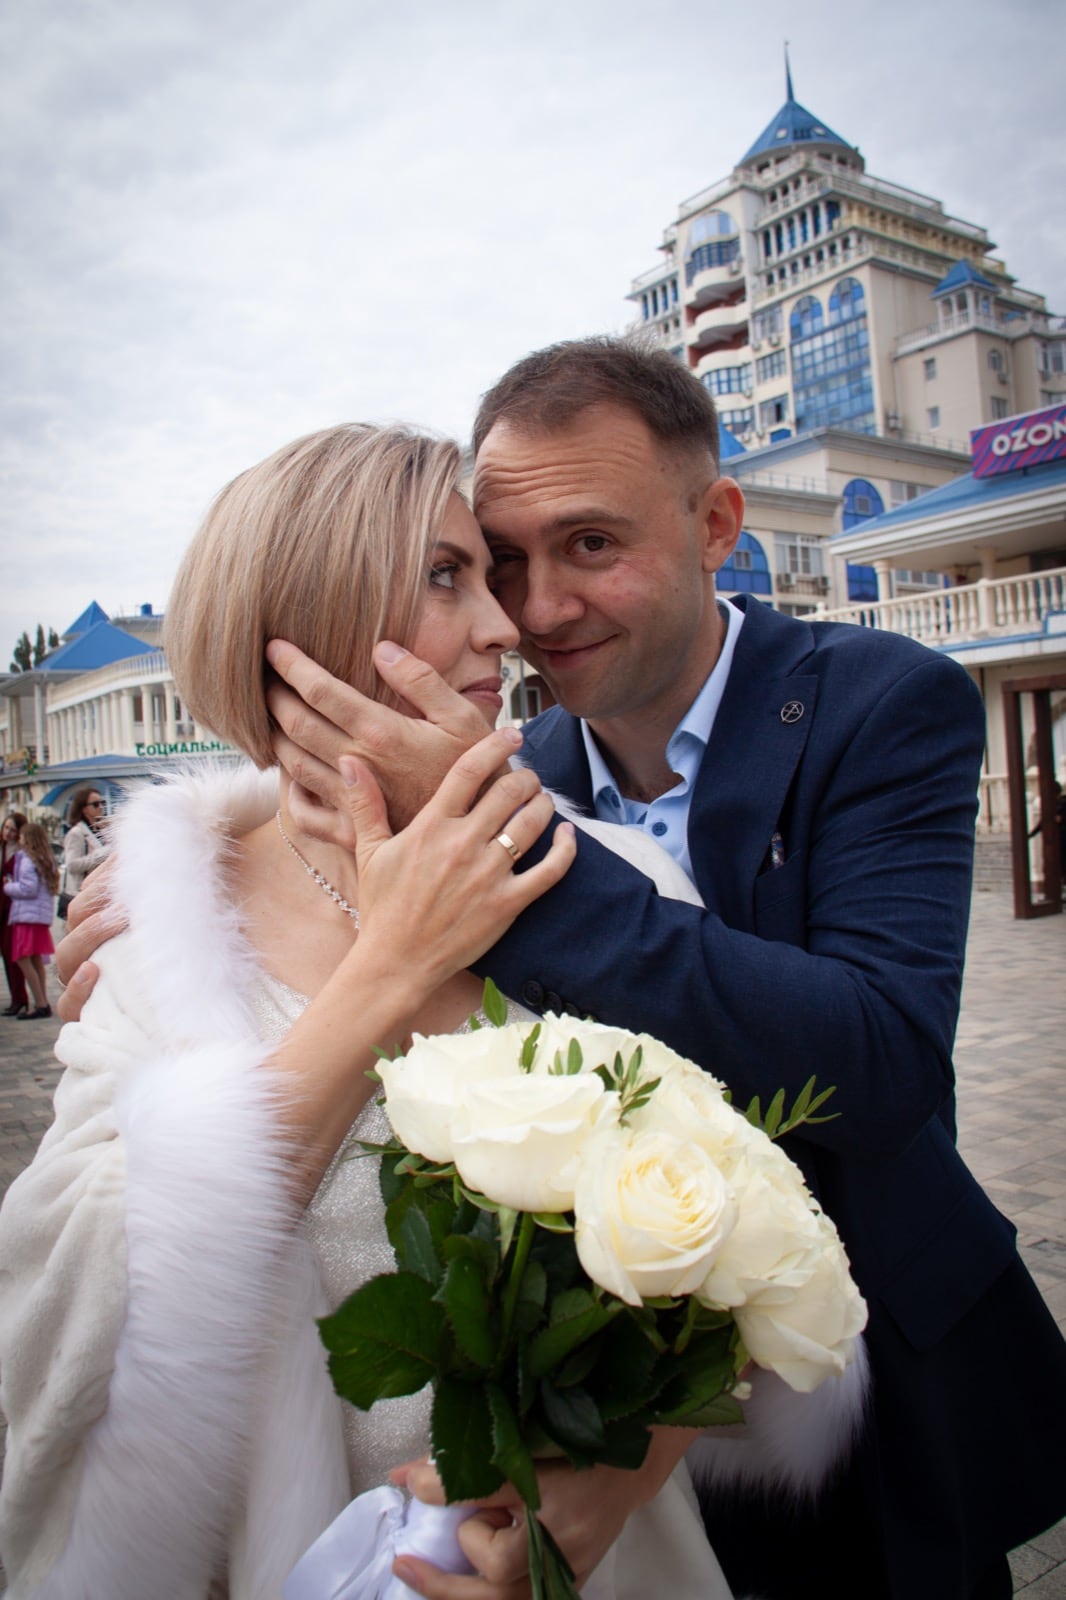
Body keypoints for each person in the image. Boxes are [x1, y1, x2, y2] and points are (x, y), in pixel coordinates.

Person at [234, 339, 1066, 1600]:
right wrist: (184, 859)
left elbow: (884, 1061)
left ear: (715, 524)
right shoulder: (519, 764)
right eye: (502, 559)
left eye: (590, 544)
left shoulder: (880, 698)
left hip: (874, 1365)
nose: (536, 610)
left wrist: (522, 856)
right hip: (622, 1400)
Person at [1, 423, 859, 1600]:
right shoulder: (161, 931)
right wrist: (398, 962)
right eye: (447, 575)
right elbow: (74, 1314)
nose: (507, 625)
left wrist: (618, 1477)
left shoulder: (614, 882)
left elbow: (741, 1233)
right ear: (306, 612)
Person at [2, 820, 58, 1020]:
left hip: (26, 916)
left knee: (22, 959)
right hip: (39, 917)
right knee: (36, 960)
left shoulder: (26, 859)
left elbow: (28, 888)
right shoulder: (45, 859)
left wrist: (8, 886)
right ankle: (42, 1002)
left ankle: (40, 1003)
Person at [1, 811, 30, 1016]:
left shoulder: (22, 852)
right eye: (6, 828)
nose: (8, 833)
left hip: (15, 908)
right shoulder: (2, 848)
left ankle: (20, 999)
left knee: (15, 955)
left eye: (12, 830)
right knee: (6, 955)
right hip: (2, 905)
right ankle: (16, 998)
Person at [60, 783, 110, 895]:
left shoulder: (101, 830)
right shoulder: (77, 833)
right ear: (84, 809)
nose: (101, 807)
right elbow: (72, 865)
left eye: (103, 803)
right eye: (95, 804)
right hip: (83, 891)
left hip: (100, 889)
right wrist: (99, 856)